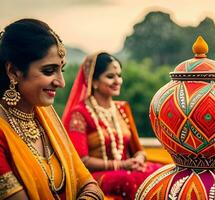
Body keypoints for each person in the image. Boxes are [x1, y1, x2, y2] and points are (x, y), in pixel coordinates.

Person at [0, 19, 104, 200]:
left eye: (61, 70)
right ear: (13, 71)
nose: (61, 83)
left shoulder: (46, 116)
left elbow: (87, 182)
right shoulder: (3, 131)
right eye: (49, 71)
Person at [62, 52, 161, 199]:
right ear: (93, 81)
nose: (117, 81)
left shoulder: (121, 109)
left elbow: (139, 151)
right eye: (110, 76)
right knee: (128, 180)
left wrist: (138, 160)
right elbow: (82, 161)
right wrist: (121, 165)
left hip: (127, 170)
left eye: (119, 75)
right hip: (94, 176)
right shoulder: (79, 114)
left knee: (163, 173)